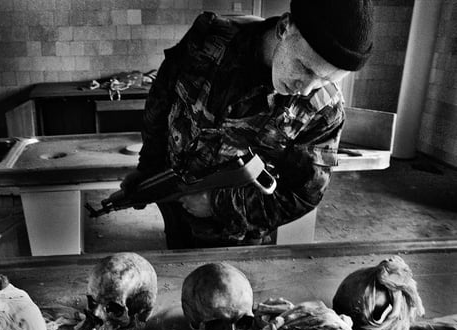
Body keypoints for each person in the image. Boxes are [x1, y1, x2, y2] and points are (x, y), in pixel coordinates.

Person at [121, 0, 374, 249]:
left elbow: (302, 194)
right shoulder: (209, 39)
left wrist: (217, 204)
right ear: (284, 28)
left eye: (325, 80)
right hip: (173, 199)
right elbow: (162, 100)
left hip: (234, 235)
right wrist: (149, 168)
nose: (306, 89)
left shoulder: (325, 109)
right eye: (305, 68)